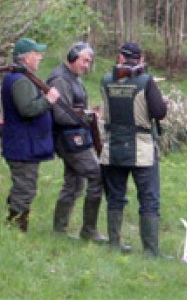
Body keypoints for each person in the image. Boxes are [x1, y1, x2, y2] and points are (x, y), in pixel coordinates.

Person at [100, 41, 167, 256]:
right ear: (140, 59)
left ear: (120, 57)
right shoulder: (146, 81)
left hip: (113, 147)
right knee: (149, 199)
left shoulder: (105, 80)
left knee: (115, 196)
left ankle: (113, 244)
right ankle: (150, 250)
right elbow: (159, 112)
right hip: (141, 149)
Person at [47, 42, 107, 242]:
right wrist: (86, 117)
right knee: (97, 176)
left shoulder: (73, 78)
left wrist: (87, 115)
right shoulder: (60, 79)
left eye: (89, 62)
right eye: (84, 60)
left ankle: (59, 230)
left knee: (73, 183)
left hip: (75, 138)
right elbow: (61, 114)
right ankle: (88, 230)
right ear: (73, 57)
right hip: (69, 139)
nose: (86, 65)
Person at [1, 37, 60, 232]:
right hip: (23, 145)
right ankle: (15, 229)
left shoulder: (22, 78)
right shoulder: (20, 81)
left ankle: (15, 223)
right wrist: (48, 100)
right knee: (25, 188)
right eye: (37, 54)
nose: (40, 57)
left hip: (25, 144)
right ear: (26, 58)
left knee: (24, 186)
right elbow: (27, 110)